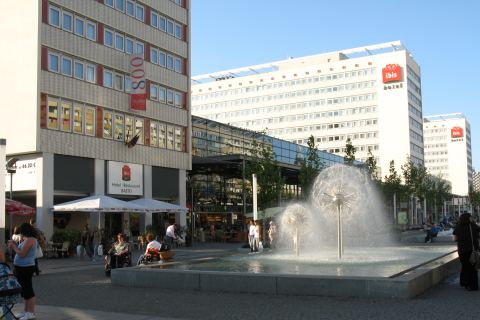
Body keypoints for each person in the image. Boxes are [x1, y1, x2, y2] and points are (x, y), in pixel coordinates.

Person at [8, 222, 38, 320]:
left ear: (25, 231)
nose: (21, 233)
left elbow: (22, 253)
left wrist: (14, 247)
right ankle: (26, 311)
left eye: (21, 231)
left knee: (28, 290)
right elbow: (21, 251)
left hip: (26, 267)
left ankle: (31, 312)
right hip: (21, 267)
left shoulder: (30, 240)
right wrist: (15, 244)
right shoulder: (27, 239)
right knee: (25, 290)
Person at [453, 213, 480, 291]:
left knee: (465, 267)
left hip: (462, 251)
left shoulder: (458, 227)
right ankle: (473, 286)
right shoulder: (473, 226)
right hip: (472, 250)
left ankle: (465, 283)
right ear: (468, 218)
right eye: (471, 217)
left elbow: (454, 239)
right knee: (472, 268)